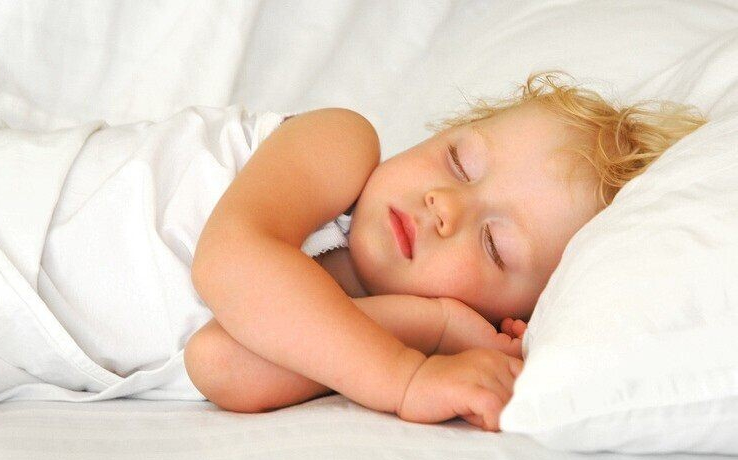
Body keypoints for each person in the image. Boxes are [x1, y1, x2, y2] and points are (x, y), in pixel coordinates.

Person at [183, 71, 706, 431]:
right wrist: (405, 376)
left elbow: (220, 362)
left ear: (507, 314)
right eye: (459, 162)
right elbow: (230, 260)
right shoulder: (337, 143)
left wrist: (431, 326)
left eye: (493, 245)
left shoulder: (355, 338)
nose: (446, 206)